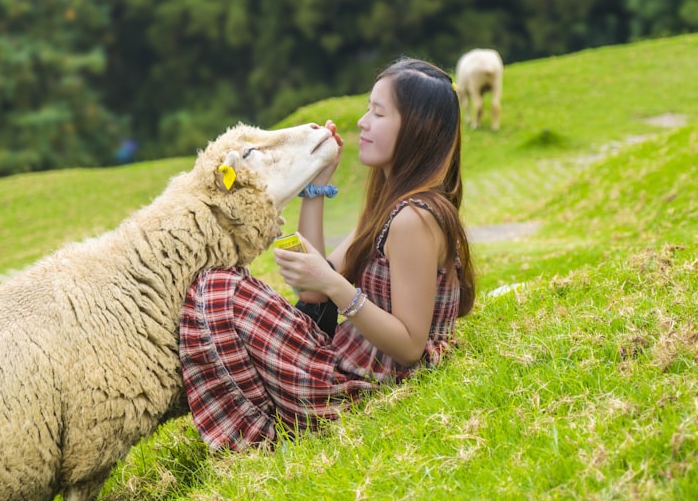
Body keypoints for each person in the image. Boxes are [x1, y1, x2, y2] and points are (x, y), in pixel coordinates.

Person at [178, 57, 476, 451]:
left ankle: (262, 436)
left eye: (378, 112)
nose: (362, 123)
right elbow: (313, 289)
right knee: (218, 285)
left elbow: (409, 345)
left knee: (218, 291)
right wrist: (316, 186)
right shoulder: (393, 207)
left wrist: (336, 285)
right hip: (343, 368)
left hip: (358, 392)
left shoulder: (414, 219)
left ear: (415, 130)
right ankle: (266, 417)